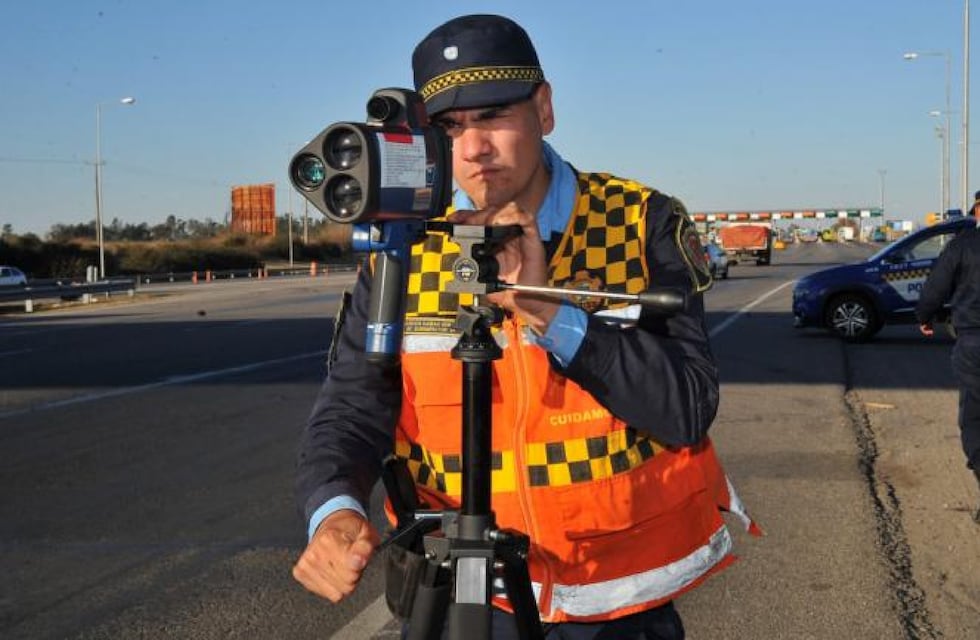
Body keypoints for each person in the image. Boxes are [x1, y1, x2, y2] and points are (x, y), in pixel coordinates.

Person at [292, 14, 758, 638]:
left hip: (615, 602)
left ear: (544, 109)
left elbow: (686, 407)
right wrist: (334, 509)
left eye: (492, 116)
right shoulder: (404, 250)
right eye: (449, 127)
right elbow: (352, 404)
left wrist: (549, 313)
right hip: (464, 594)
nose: (473, 148)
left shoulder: (638, 223)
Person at [916, 191, 980, 524]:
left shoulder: (963, 244)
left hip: (974, 344)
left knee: (974, 417)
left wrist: (925, 316)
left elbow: (936, 287)